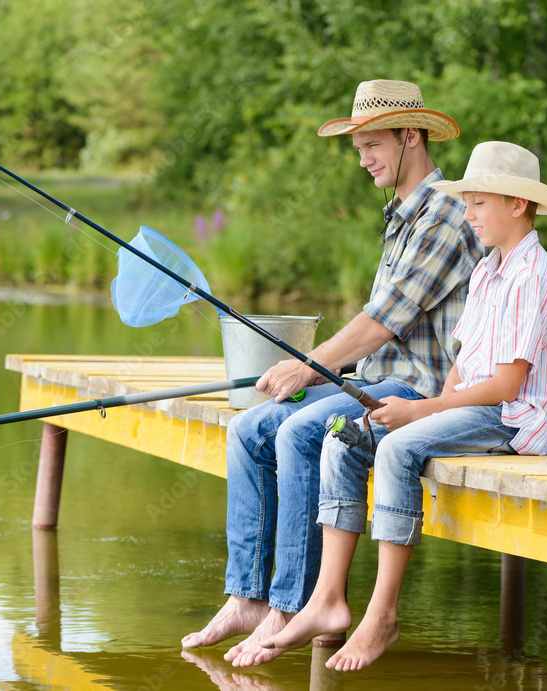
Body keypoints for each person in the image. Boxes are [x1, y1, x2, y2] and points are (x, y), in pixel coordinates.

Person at [181, 79, 484, 667]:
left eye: (372, 144)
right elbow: (373, 337)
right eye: (358, 147)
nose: (364, 158)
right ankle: (247, 595)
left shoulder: (445, 212)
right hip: (377, 378)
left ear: (411, 136)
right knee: (248, 429)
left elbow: (384, 319)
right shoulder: (402, 214)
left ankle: (292, 604)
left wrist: (308, 364)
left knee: (299, 432)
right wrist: (319, 373)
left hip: (421, 390)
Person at [260, 140, 547, 671]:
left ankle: (381, 615)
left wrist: (422, 412)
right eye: (468, 202)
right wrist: (437, 402)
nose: (468, 214)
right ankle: (327, 599)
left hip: (513, 418)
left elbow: (504, 386)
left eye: (479, 203)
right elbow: (462, 361)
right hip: (469, 404)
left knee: (397, 449)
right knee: (346, 436)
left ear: (517, 204)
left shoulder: (533, 277)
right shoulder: (488, 271)